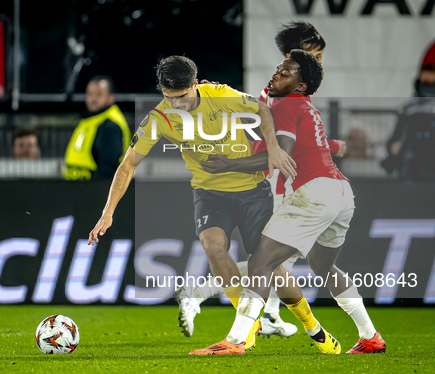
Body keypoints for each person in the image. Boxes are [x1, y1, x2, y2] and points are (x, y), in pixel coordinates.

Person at [88, 55, 338, 354]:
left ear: (195, 84)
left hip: (251, 190)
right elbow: (127, 166)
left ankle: (314, 328)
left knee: (269, 267)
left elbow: (262, 109)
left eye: (182, 97)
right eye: (169, 98)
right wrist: (107, 212)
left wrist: (273, 148)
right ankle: (247, 327)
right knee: (213, 246)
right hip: (209, 193)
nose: (176, 105)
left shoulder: (220, 94)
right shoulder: (159, 118)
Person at [192, 50, 385, 355]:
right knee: (325, 266)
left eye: (285, 73)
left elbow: (277, 155)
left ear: (301, 85)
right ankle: (370, 337)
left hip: (314, 193)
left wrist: (226, 165)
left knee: (261, 262)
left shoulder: (286, 105)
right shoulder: (303, 107)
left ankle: (237, 340)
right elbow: (263, 128)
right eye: (278, 69)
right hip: (341, 193)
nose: (276, 75)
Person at [177, 21, 346, 340]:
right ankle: (199, 293)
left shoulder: (281, 89)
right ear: (294, 53)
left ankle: (267, 315)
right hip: (277, 186)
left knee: (280, 258)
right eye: (316, 54)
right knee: (275, 258)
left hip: (278, 183)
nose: (320, 62)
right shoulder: (283, 93)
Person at [382, 40, 435, 181]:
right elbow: (395, 138)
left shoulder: (408, 109)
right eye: (425, 81)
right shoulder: (408, 110)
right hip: (412, 168)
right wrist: (394, 148)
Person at [64, 76, 131, 180]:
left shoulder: (110, 126)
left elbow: (108, 171)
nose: (93, 99)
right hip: (81, 189)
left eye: (99, 94)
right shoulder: (92, 121)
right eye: (90, 94)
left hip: (94, 191)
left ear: (111, 98)